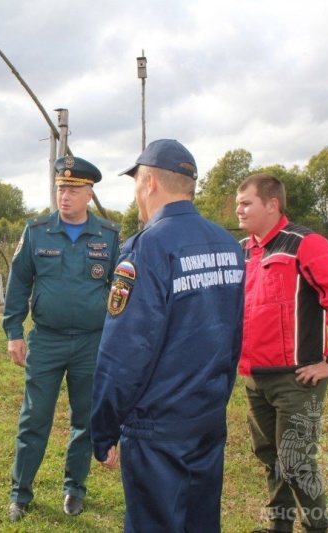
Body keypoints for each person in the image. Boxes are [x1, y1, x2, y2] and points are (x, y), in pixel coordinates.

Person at [90, 139, 246, 532]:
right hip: (206, 418)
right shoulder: (228, 244)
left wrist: (104, 427)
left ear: (149, 184)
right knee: (200, 520)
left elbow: (123, 353)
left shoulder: (147, 249)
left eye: (137, 185)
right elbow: (232, 336)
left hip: (157, 428)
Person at [235, 173, 328, 533]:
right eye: (237, 203)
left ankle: (317, 527)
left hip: (296, 378)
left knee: (296, 462)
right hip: (254, 377)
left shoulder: (305, 244)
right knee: (269, 456)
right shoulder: (245, 249)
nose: (238, 210)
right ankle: (280, 526)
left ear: (272, 204)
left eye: (246, 203)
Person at [2, 155, 121, 522]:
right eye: (59, 188)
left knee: (85, 419)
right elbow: (19, 281)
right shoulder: (37, 231)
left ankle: (74, 489)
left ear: (89, 193)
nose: (63, 195)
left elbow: (121, 289)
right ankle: (20, 493)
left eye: (72, 189)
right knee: (34, 418)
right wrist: (13, 332)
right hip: (48, 341)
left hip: (92, 342)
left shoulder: (109, 236)